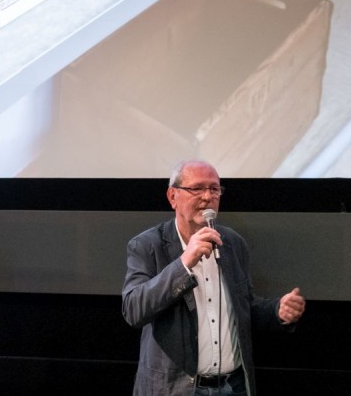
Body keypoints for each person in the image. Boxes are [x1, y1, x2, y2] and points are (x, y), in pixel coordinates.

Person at [122, 160, 305, 396]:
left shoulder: (232, 243)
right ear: (173, 196)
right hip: (177, 389)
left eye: (215, 189)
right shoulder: (147, 245)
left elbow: (244, 306)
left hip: (233, 386)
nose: (208, 197)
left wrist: (277, 311)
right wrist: (183, 263)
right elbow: (134, 309)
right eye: (197, 189)